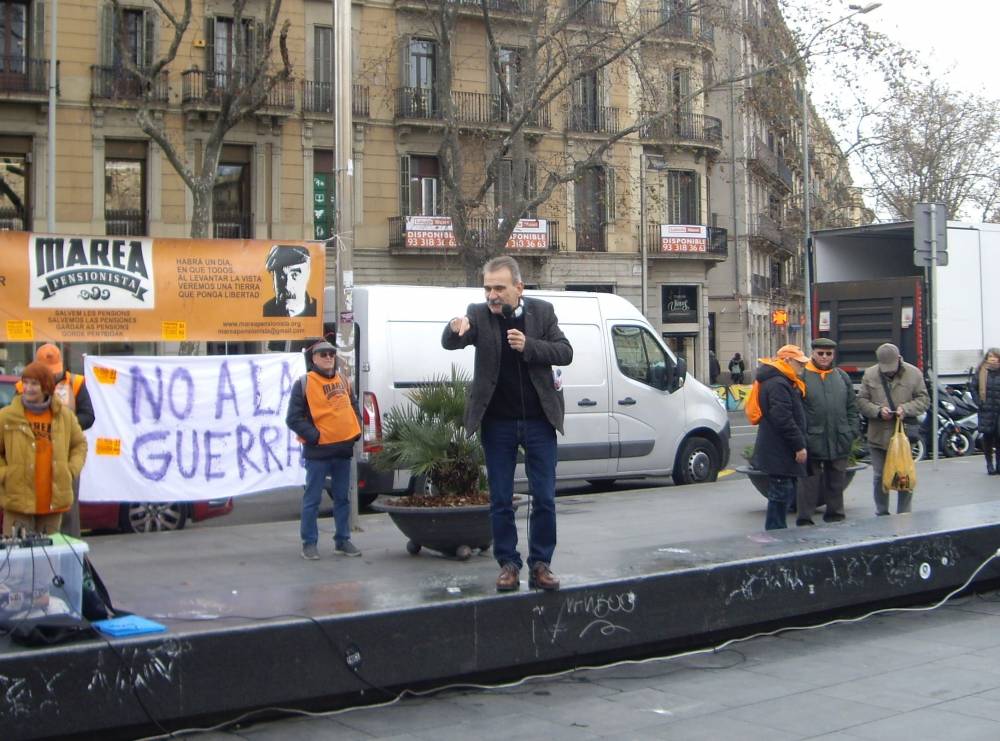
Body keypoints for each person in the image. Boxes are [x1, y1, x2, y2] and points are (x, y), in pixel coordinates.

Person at [442, 255, 573, 592]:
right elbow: (452, 341)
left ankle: (541, 564)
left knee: (544, 497)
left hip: (539, 421)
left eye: (499, 288)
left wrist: (529, 346)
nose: (492, 295)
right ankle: (508, 565)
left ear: (519, 287)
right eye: (488, 288)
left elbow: (564, 352)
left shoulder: (542, 312)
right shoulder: (478, 315)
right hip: (497, 423)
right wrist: (454, 327)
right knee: (500, 499)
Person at [286, 339, 362, 560]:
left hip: (342, 451)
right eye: (323, 354)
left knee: (342, 498)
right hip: (318, 453)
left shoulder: (344, 381)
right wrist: (315, 436)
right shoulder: (304, 383)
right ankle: (309, 543)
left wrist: (354, 431)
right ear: (314, 359)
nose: (328, 357)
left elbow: (353, 407)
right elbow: (293, 418)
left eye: (331, 353)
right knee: (312, 499)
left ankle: (343, 539)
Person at [0, 361, 88, 536]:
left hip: (52, 505)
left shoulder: (64, 417)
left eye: (34, 384)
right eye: (25, 382)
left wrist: (70, 470)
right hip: (18, 503)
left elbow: (80, 444)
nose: (28, 388)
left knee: (49, 560)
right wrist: (5, 473)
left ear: (46, 387)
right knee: (17, 561)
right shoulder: (7, 416)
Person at [856, 343, 930, 515]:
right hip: (878, 436)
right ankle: (881, 512)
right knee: (879, 476)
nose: (888, 371)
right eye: (885, 368)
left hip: (903, 436)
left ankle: (904, 513)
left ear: (899, 360)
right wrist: (878, 411)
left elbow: (924, 400)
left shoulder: (914, 374)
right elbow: (861, 401)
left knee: (904, 475)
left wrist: (906, 409)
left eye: (891, 367)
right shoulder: (870, 374)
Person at [33, 343, 95, 537]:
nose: (52, 377)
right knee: (39, 510)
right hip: (36, 459)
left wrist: (65, 424)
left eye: (54, 372)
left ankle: (71, 556)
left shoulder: (76, 383)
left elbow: (89, 416)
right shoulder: (24, 386)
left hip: (66, 457)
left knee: (68, 510)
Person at [796, 338, 859, 526]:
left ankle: (835, 515)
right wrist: (802, 437)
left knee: (836, 480)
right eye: (820, 353)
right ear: (813, 353)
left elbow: (851, 407)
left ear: (833, 355)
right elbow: (797, 409)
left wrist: (851, 431)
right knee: (808, 482)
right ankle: (805, 518)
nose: (824, 357)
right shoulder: (803, 376)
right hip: (812, 438)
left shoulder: (841, 376)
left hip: (839, 437)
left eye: (828, 354)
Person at [750, 344, 809, 530]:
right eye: (799, 362)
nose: (802, 366)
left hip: (777, 448)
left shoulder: (778, 380)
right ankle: (776, 537)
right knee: (780, 494)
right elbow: (783, 418)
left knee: (781, 494)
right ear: (787, 360)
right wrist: (799, 445)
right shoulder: (778, 383)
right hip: (779, 449)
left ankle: (776, 534)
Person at [263, 245, 317, 317]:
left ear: (307, 275)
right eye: (281, 276)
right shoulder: (266, 311)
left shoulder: (317, 309)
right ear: (273, 279)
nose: (287, 286)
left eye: (295, 275)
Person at [972, 348, 1000, 475]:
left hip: (998, 410)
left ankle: (999, 465)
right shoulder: (981, 371)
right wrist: (979, 402)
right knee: (988, 438)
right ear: (987, 359)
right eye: (990, 357)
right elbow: (973, 387)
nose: (993, 359)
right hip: (986, 410)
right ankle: (989, 464)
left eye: (995, 357)